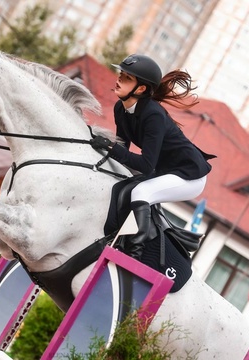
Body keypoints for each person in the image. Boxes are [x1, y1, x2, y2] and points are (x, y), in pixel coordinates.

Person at [91, 54, 216, 260]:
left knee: (141, 191)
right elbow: (123, 147)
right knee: (122, 184)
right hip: (165, 170)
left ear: (140, 89)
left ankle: (134, 255)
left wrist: (111, 148)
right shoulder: (120, 109)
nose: (119, 79)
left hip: (189, 176)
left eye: (127, 78)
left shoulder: (153, 115)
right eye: (121, 74)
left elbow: (145, 165)